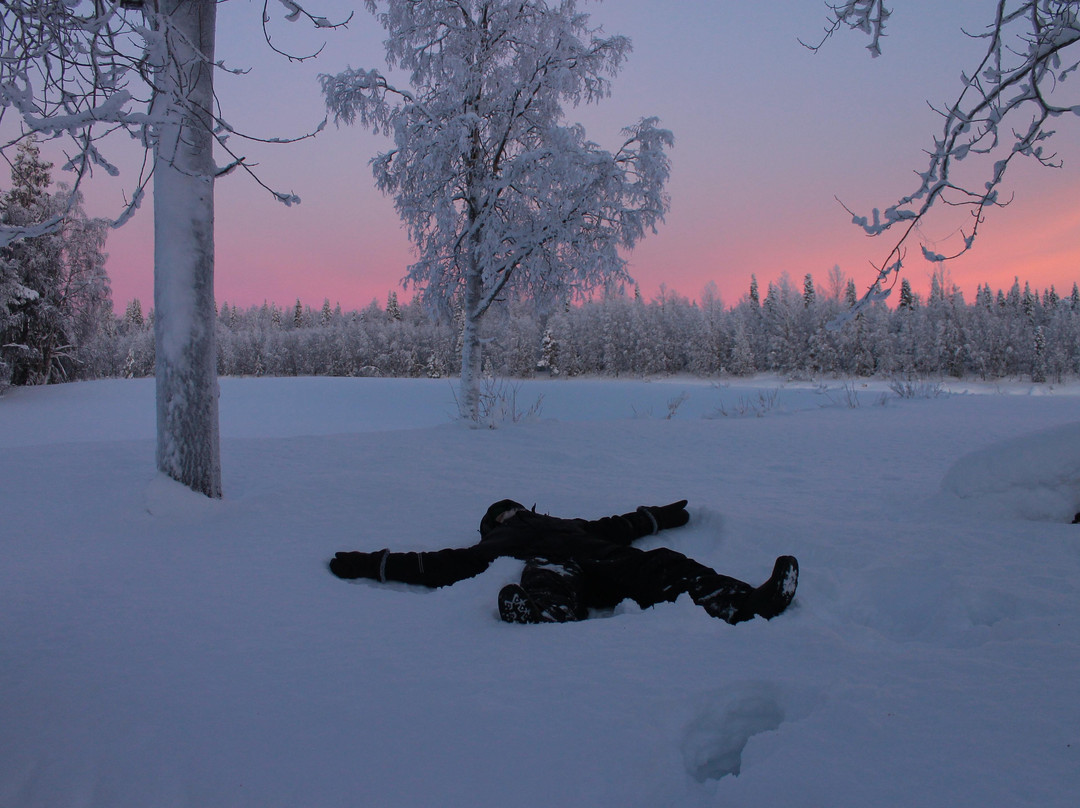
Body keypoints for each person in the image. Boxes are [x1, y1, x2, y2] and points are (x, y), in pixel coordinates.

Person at [329, 499, 798, 625]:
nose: (511, 514)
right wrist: (374, 564)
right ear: (495, 523)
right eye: (503, 513)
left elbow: (619, 526)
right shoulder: (499, 542)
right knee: (548, 577)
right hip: (563, 568)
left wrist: (659, 516)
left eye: (511, 509)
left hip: (606, 559)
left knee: (665, 564)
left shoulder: (570, 523)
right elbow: (437, 565)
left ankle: (747, 603)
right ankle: (544, 615)